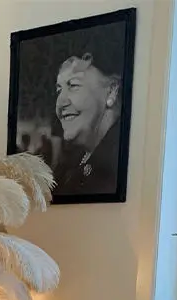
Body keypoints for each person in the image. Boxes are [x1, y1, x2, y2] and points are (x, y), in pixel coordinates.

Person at [53, 52, 122, 195]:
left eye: (73, 85)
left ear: (111, 91)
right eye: (59, 90)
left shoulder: (123, 163)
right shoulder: (67, 166)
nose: (60, 102)